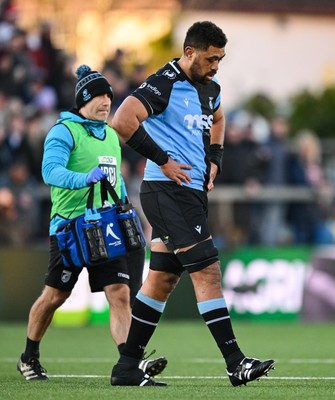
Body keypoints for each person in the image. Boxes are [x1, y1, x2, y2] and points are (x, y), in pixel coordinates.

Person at [110, 21, 275, 387]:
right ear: (189, 53)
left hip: (190, 195)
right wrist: (164, 160)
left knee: (162, 280)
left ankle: (126, 367)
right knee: (208, 272)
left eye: (221, 59)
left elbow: (218, 117)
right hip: (166, 192)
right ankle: (235, 362)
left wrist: (215, 158)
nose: (216, 65)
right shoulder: (164, 82)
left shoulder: (210, 89)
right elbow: (122, 120)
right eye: (211, 58)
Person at [17, 64, 167, 381]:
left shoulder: (111, 135)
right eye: (98, 96)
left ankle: (129, 364)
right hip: (70, 228)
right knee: (55, 296)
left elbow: (117, 182)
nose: (105, 102)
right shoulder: (63, 131)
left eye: (108, 96)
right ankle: (29, 356)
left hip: (106, 228)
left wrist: (130, 210)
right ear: (82, 100)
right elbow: (50, 172)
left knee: (120, 292)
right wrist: (84, 179)